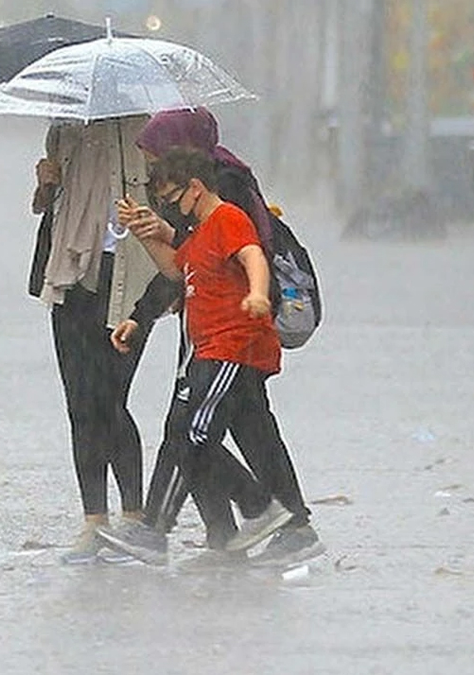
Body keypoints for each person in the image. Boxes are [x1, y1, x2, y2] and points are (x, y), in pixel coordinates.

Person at [106, 108, 323, 566]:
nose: (153, 178)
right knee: (247, 432)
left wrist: (258, 296)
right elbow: (184, 263)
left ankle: (180, 527)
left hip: (234, 336)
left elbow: (242, 254)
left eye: (157, 165)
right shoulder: (191, 198)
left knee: (190, 433)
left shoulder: (227, 192)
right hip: (211, 334)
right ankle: (247, 532)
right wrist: (142, 312)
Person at [30, 117, 162, 564]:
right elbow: (49, 209)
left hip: (130, 278)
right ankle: (94, 522)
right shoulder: (64, 129)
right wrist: (46, 185)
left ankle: (134, 516)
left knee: (110, 399)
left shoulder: (146, 132)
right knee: (79, 404)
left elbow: (172, 207)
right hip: (71, 276)